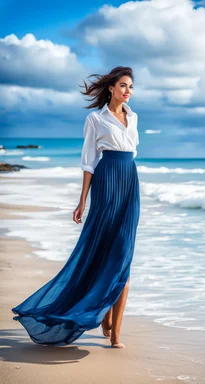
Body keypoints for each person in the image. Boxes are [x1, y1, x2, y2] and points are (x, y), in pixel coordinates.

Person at [12, 66, 140, 349]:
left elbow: (132, 153)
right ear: (111, 88)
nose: (128, 90)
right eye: (123, 85)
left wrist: (128, 178)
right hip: (107, 183)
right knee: (102, 253)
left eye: (131, 86)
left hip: (130, 183)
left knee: (123, 256)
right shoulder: (95, 118)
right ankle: (106, 324)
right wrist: (83, 200)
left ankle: (113, 327)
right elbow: (89, 161)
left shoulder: (134, 117)